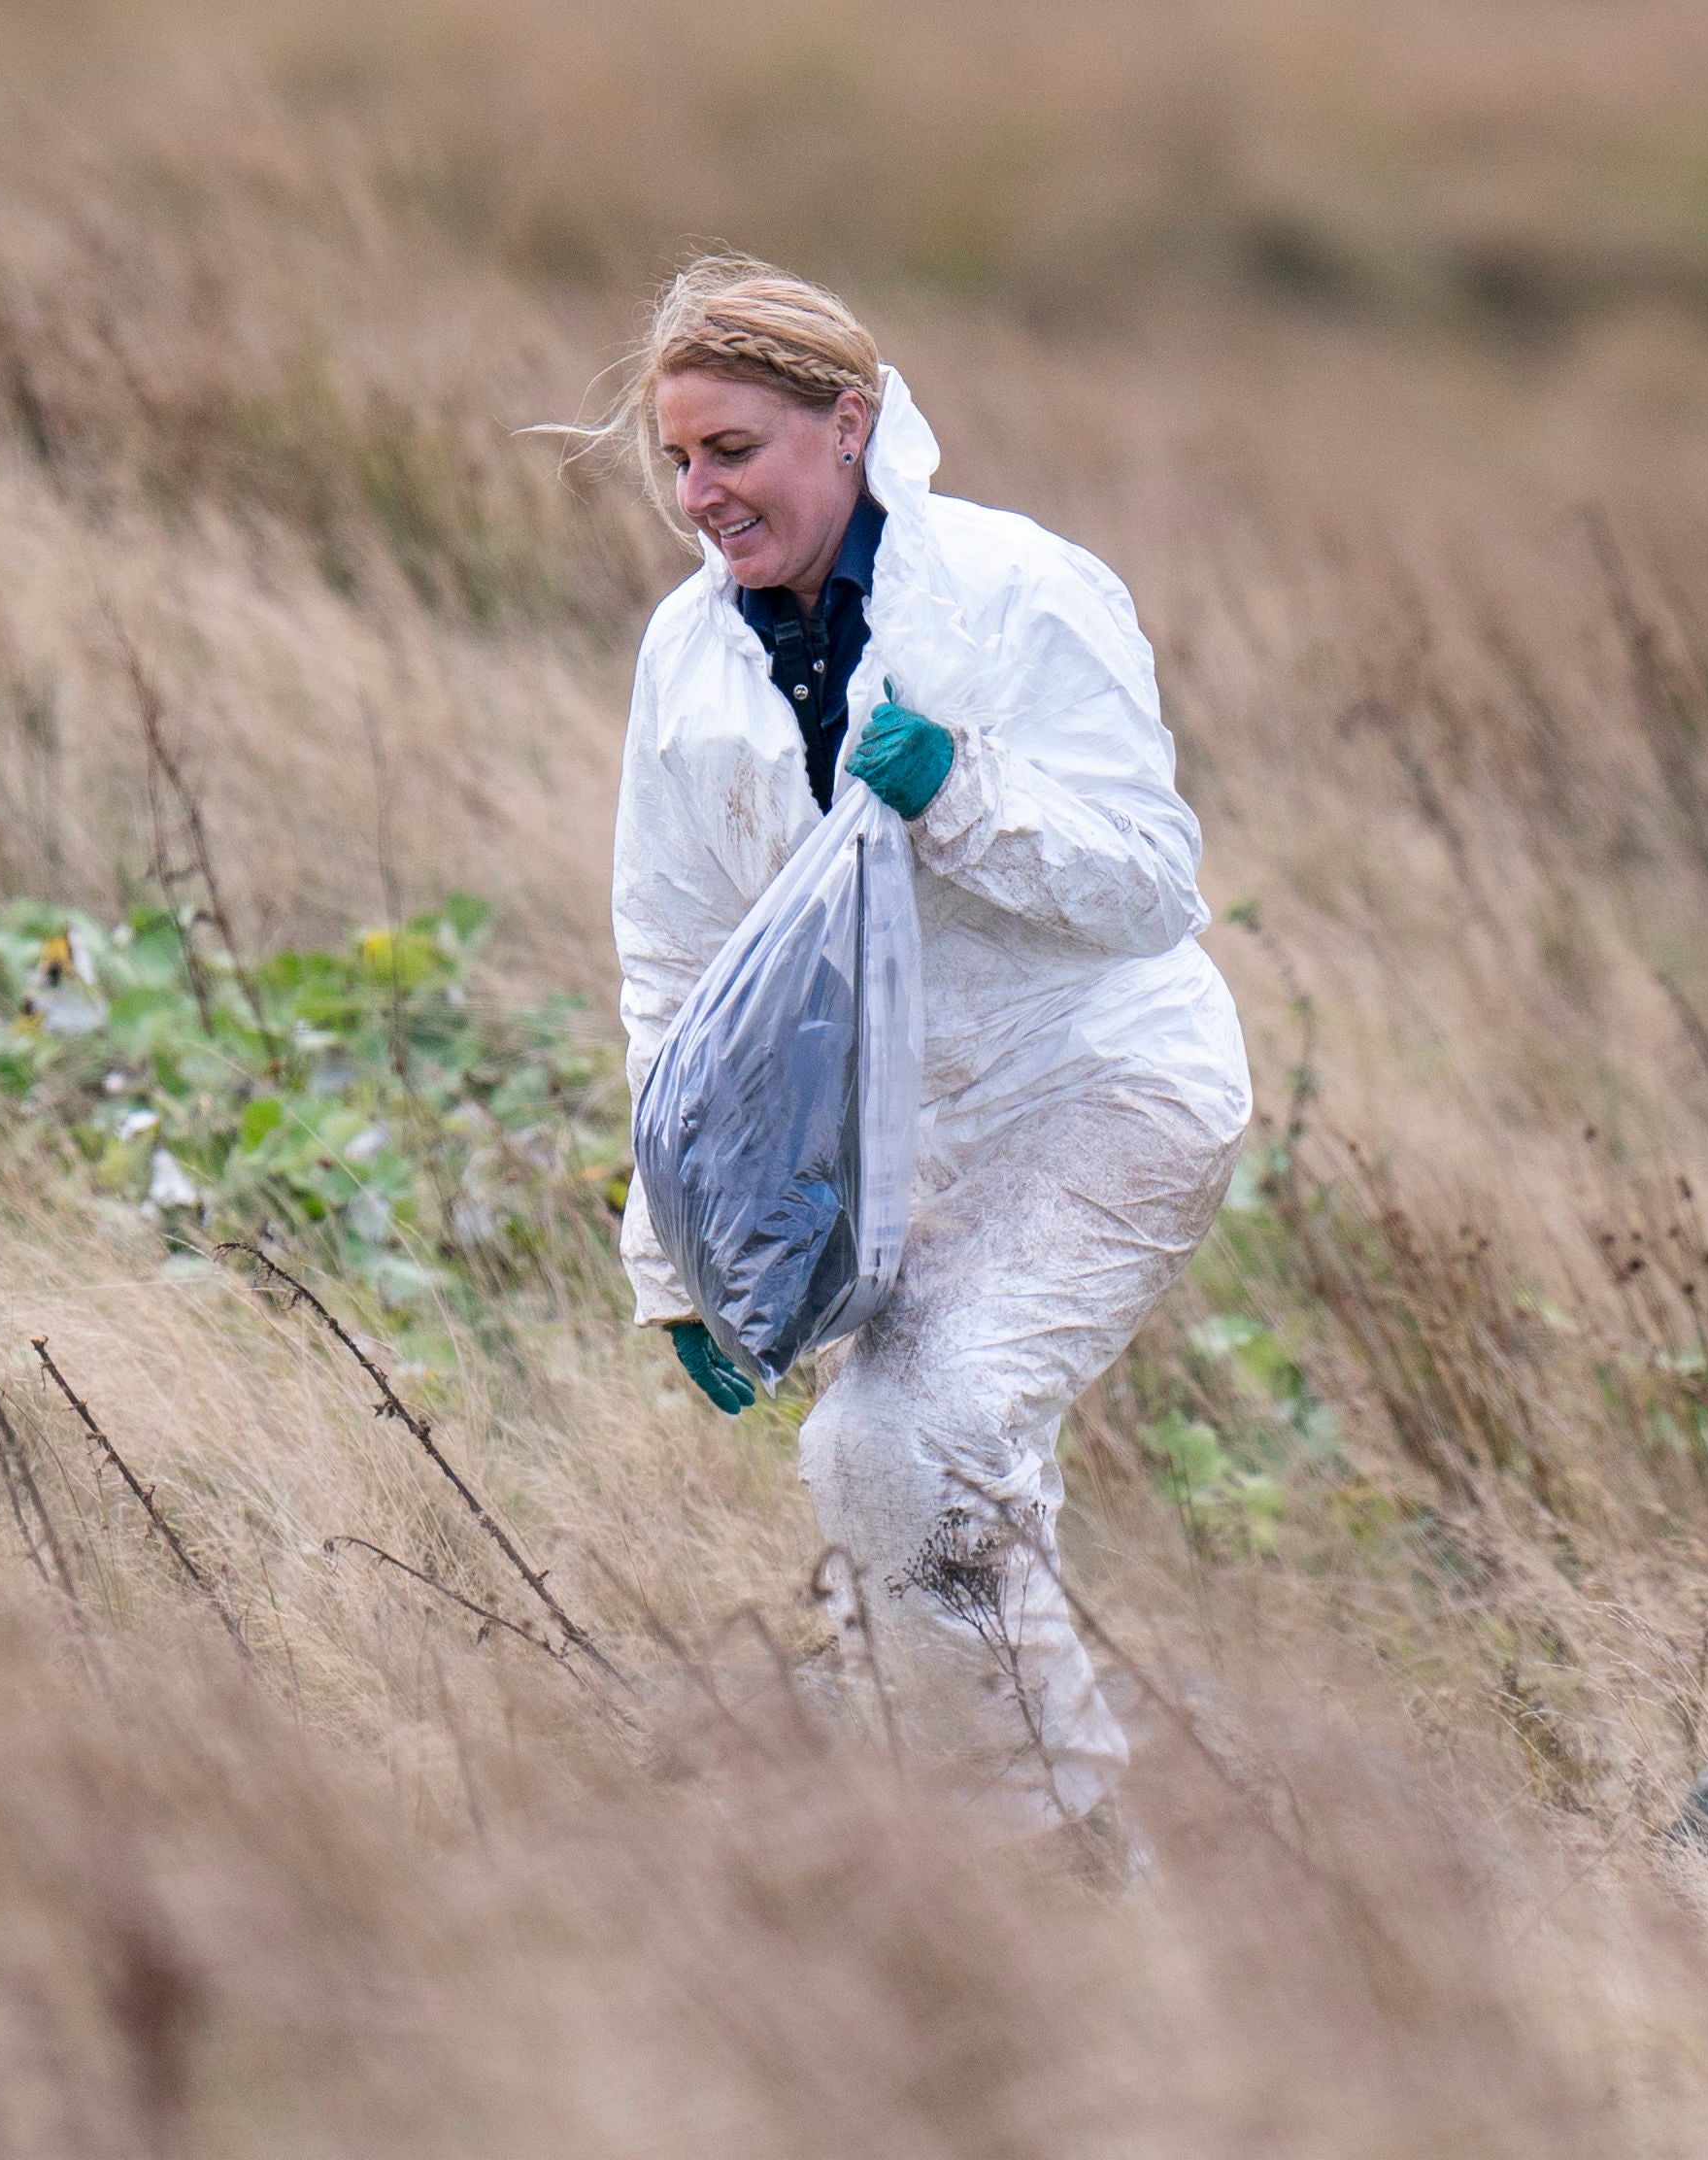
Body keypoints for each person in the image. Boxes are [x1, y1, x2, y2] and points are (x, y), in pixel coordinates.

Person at [597, 256, 1253, 1858]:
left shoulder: (1021, 587)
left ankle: (1057, 1850)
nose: (699, 494)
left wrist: (958, 788)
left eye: (732, 450)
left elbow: (1149, 883)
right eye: (676, 459)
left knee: (904, 1436)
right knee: (888, 1468)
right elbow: (675, 973)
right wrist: (671, 1262)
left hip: (1108, 1083)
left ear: (851, 423)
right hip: (896, 1148)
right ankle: (1047, 1847)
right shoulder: (684, 663)